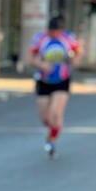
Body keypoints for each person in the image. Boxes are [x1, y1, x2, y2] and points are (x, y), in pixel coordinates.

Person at [30, 14, 80, 159]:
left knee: (55, 113)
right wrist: (41, 65)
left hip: (62, 80)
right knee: (45, 118)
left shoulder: (68, 38)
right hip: (44, 81)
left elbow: (78, 53)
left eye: (56, 31)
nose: (54, 34)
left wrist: (74, 62)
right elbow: (31, 58)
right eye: (51, 31)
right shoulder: (40, 39)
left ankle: (52, 141)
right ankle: (52, 131)